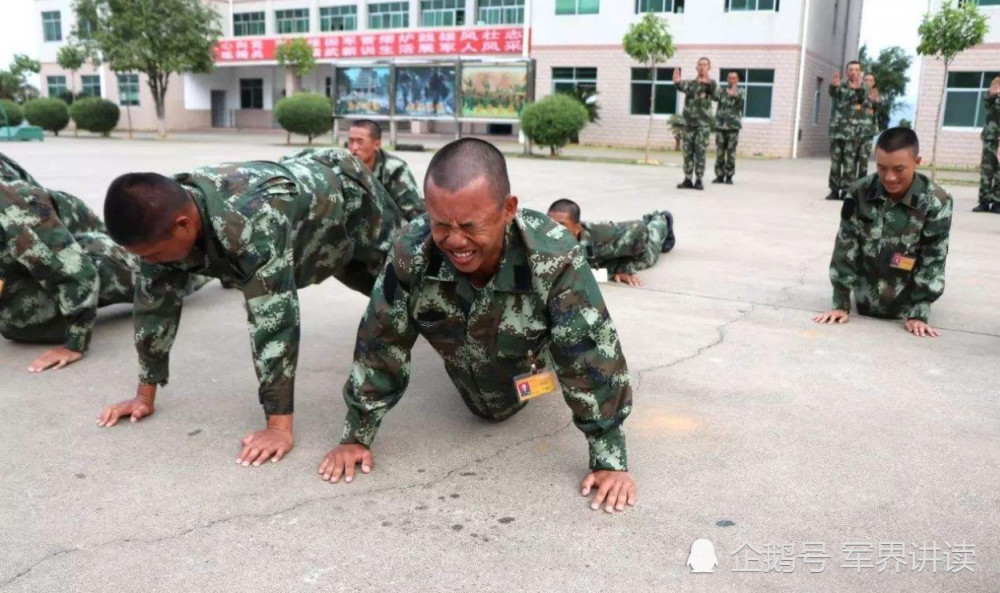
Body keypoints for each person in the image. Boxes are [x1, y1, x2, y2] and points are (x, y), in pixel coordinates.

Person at [318, 139, 636, 514]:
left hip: (528, 363)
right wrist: (356, 435)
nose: (455, 240)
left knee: (563, 347)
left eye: (470, 226)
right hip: (466, 374)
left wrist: (608, 459)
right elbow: (381, 339)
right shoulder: (411, 250)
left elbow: (589, 353)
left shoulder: (553, 256)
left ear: (508, 209)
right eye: (441, 224)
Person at [95, 148, 405, 469]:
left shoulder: (250, 220)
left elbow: (273, 320)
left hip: (350, 195)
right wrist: (144, 395)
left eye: (154, 254)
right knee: (380, 291)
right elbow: (154, 304)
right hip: (303, 216)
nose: (149, 263)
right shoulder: (159, 216)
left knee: (403, 287)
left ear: (183, 225)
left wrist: (278, 427)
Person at [0, 153, 204, 372]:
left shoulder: (14, 211)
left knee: (157, 267)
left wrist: (74, 343)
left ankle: (207, 267)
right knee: (16, 317)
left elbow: (78, 274)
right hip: (27, 248)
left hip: (81, 245)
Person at [813, 127, 953, 338]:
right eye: (881, 167)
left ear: (918, 162)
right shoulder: (860, 191)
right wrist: (840, 303)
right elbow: (845, 246)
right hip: (864, 296)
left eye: (899, 169)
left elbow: (934, 257)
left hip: (906, 301)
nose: (889, 177)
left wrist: (919, 313)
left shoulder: (936, 201)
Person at [546, 198, 674, 287]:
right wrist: (611, 273)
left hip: (636, 245)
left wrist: (623, 266)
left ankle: (662, 220)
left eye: (561, 225)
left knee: (648, 252)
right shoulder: (539, 237)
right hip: (601, 258)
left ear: (577, 229)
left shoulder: (603, 235)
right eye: (550, 223)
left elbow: (638, 229)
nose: (554, 229)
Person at [348, 119, 426, 221]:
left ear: (377, 144)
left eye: (360, 142)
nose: (354, 148)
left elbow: (415, 215)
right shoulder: (345, 167)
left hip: (393, 231)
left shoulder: (394, 169)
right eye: (351, 141)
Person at [673, 58, 718, 190]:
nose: (702, 67)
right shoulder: (691, 84)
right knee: (687, 152)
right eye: (700, 64)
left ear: (709, 67)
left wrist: (707, 80)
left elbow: (713, 89)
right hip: (688, 125)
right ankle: (687, 179)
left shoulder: (711, 84)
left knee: (700, 153)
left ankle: (698, 179)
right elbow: (680, 85)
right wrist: (676, 81)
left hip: (702, 125)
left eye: (705, 65)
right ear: (696, 67)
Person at [826, 61, 867, 201]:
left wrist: (858, 89)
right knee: (835, 163)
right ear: (846, 71)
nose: (854, 72)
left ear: (860, 72)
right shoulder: (840, 85)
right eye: (851, 70)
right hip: (836, 131)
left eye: (857, 70)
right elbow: (832, 92)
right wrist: (832, 85)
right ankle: (834, 190)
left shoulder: (863, 87)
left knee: (849, 163)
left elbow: (862, 99)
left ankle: (846, 191)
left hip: (852, 133)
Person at [711, 70, 745, 185]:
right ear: (727, 79)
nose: (732, 80)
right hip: (720, 127)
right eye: (730, 78)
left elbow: (738, 97)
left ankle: (729, 176)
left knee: (731, 153)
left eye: (734, 78)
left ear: (738, 80)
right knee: (720, 153)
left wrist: (734, 91)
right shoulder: (721, 91)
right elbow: (713, 97)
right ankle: (719, 176)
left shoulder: (741, 91)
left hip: (733, 128)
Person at [973, 75, 1000, 213]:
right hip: (991, 137)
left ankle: (997, 202)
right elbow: (987, 101)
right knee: (987, 170)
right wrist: (993, 92)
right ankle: (984, 201)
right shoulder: (996, 85)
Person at [856, 73, 882, 180]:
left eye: (870, 80)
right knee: (852, 159)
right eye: (866, 80)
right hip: (854, 131)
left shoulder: (876, 94)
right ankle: (849, 184)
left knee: (863, 158)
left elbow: (879, 103)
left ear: (874, 82)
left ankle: (861, 182)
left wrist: (870, 101)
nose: (868, 82)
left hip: (868, 132)